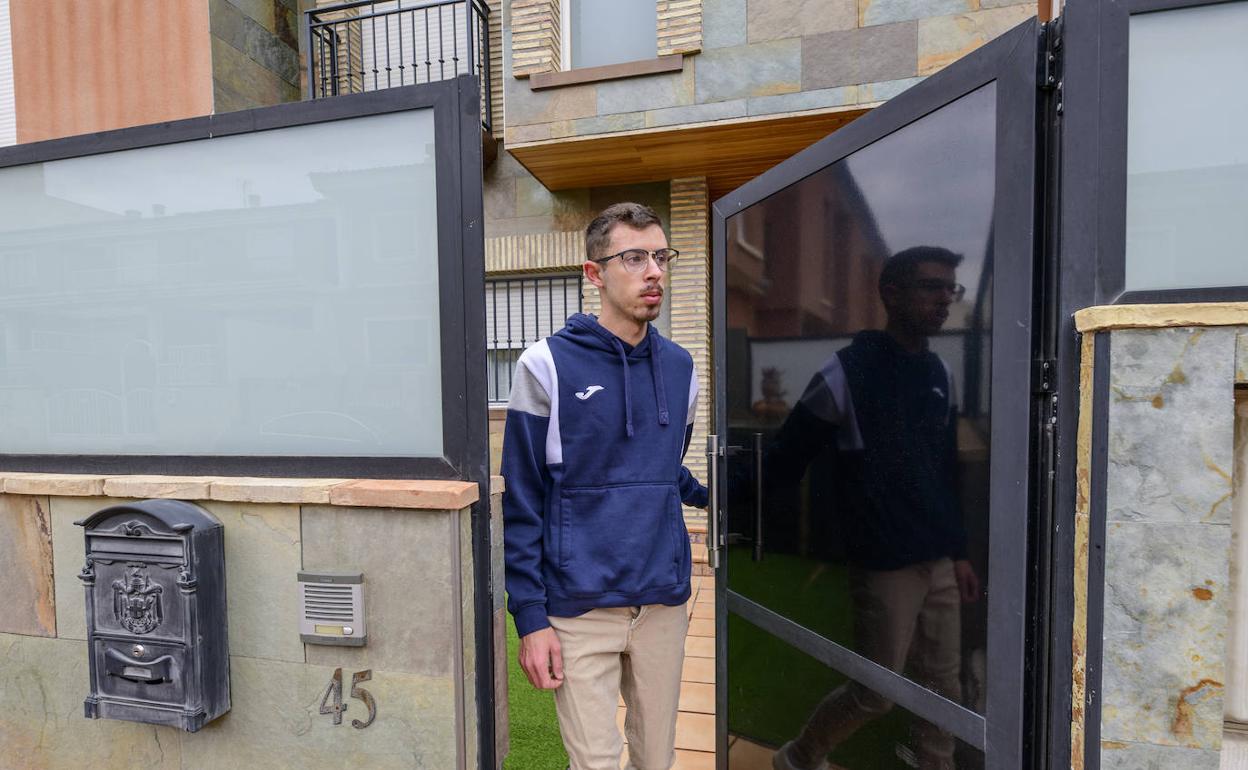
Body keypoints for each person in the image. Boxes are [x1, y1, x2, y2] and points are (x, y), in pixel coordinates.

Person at [502, 202, 708, 770]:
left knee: (656, 759)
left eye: (661, 256)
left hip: (662, 602)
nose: (654, 272)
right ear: (595, 273)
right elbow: (522, 498)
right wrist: (531, 618)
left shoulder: (681, 367)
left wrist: (720, 493)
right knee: (595, 764)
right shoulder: (544, 364)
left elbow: (664, 465)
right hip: (579, 605)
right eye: (634, 257)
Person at [768, 246, 980, 770]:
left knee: (945, 687)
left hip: (938, 561)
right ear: (893, 293)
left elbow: (943, 469)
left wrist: (958, 553)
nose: (943, 300)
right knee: (876, 691)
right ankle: (799, 756)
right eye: (931, 286)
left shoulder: (938, 373)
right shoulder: (848, 372)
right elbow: (788, 456)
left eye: (950, 289)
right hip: (885, 562)